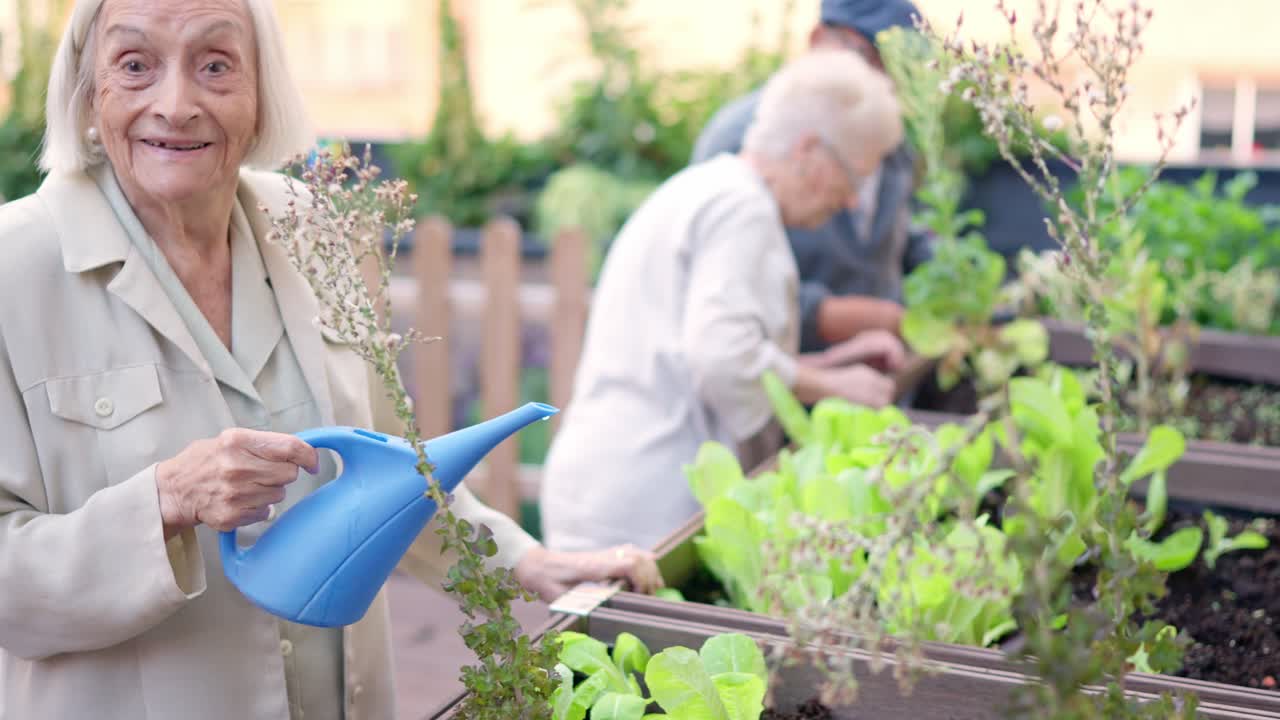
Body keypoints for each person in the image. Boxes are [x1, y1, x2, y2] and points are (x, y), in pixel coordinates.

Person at [0, 1, 659, 718]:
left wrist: (526, 561)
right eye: (135, 66)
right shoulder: (17, 268)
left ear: (261, 96)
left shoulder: (308, 225)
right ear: (88, 94)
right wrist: (164, 501)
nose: (176, 104)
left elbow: (386, 473)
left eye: (216, 65)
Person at [540, 49, 907, 554]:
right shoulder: (744, 211)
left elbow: (704, 351)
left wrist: (824, 364)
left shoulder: (708, 188)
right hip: (647, 507)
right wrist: (832, 383)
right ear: (808, 151)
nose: (850, 201)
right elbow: (723, 358)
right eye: (854, 178)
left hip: (610, 487)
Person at [692, 0, 930, 354]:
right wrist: (833, 316)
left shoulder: (894, 149)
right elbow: (716, 284)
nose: (882, 82)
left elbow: (904, 237)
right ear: (818, 39)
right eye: (871, 58)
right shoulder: (742, 140)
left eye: (898, 70)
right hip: (781, 377)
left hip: (879, 374)